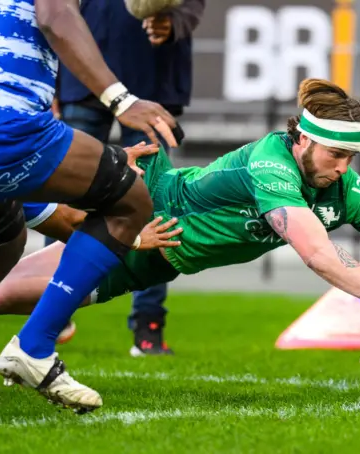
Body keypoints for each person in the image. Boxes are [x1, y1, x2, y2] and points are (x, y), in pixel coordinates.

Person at [0, 79, 360, 364]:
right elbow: (316, 253)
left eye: (352, 157)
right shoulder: (270, 163)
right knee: (13, 191)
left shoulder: (348, 189)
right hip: (147, 209)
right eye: (336, 153)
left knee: (0, 298)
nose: (344, 167)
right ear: (304, 141)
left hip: (160, 258)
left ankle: (52, 294)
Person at [0, 0, 180, 413]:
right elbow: (55, 14)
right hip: (3, 128)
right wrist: (122, 101)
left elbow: (58, 217)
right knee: (131, 202)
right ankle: (34, 346)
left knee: (4, 240)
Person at [51, 0, 205, 357]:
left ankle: (148, 323)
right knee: (66, 195)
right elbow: (53, 11)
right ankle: (53, 307)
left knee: (154, 201)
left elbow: (190, 4)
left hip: (147, 78)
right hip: (81, 76)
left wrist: (174, 21)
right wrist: (51, 83)